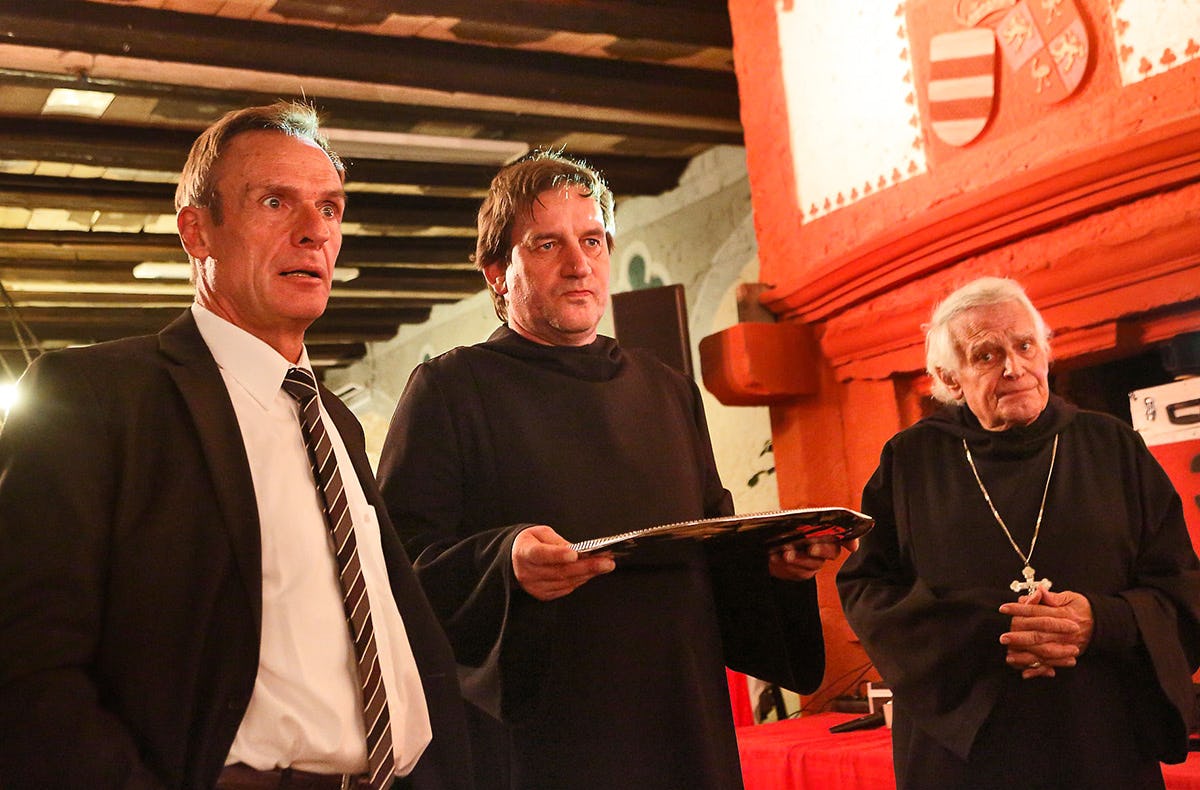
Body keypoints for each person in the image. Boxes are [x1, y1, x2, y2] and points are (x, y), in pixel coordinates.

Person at [0, 101, 471, 790]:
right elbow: (25, 663)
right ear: (197, 231)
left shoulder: (333, 420)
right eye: (275, 202)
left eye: (330, 208)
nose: (314, 231)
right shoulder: (94, 397)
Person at [376, 149, 850, 790]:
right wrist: (505, 561)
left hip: (683, 718)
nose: (579, 264)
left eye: (593, 240)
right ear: (497, 273)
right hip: (548, 739)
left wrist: (774, 566)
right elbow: (397, 566)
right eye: (547, 244)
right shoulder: (450, 389)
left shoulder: (666, 388)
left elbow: (713, 546)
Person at [837, 276, 1200, 789]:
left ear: (1045, 352)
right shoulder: (910, 461)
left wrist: (1101, 621)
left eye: (1025, 346)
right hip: (965, 752)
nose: (1014, 367)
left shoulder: (1113, 446)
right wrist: (997, 632)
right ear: (950, 378)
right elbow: (868, 593)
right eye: (986, 355)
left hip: (1099, 738)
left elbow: (1182, 587)